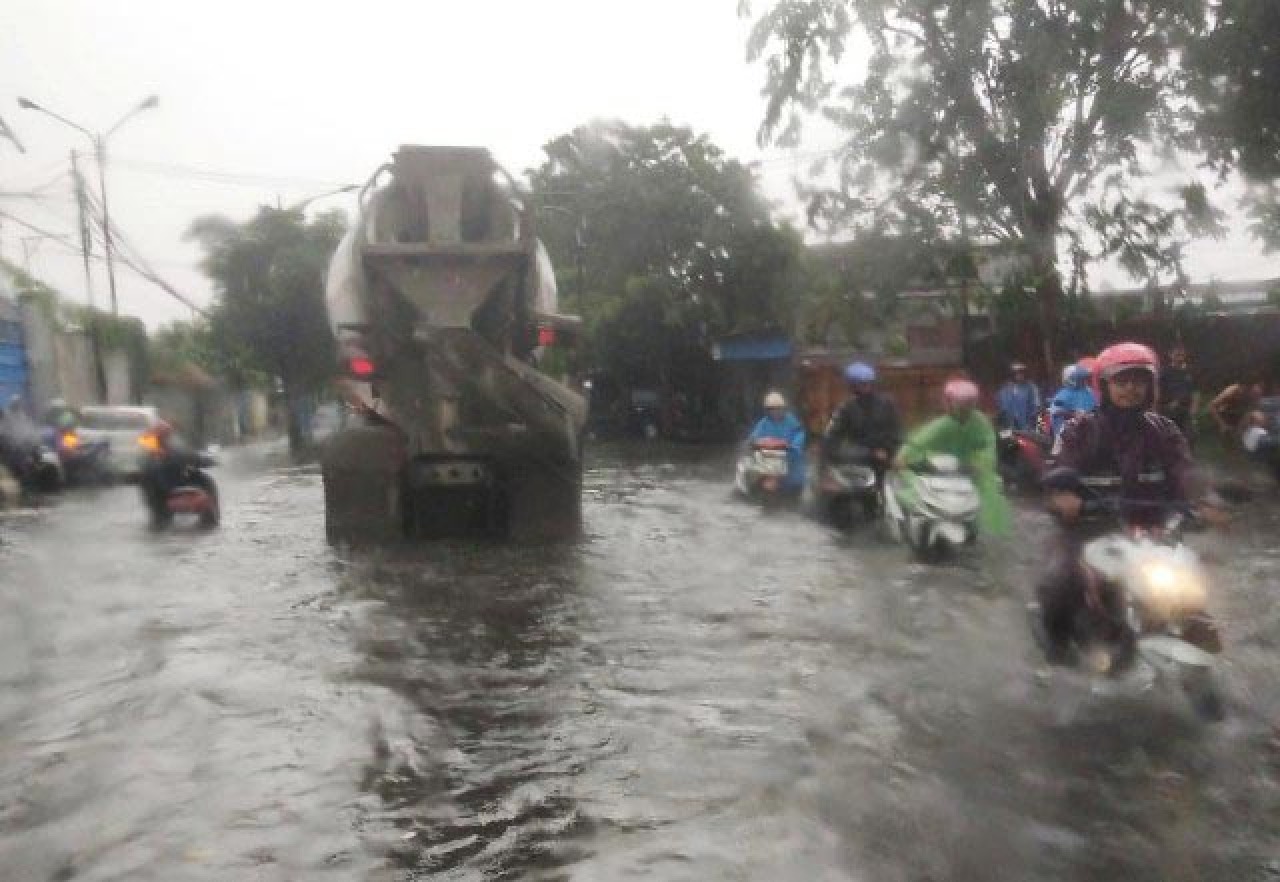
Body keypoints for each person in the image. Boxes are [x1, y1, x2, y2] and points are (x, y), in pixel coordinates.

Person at [1038, 342, 1198, 663]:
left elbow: (1186, 474)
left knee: (1191, 588)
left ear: (1151, 385)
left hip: (1153, 534)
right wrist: (1064, 497)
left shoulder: (1165, 431)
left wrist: (1205, 502)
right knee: (1060, 580)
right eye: (1121, 381)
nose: (1131, 389)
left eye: (1139, 380)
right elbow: (1057, 470)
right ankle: (1056, 654)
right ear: (1104, 385)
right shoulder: (1080, 429)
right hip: (1089, 531)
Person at [893, 378, 1011, 536]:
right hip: (941, 468)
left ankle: (976, 527)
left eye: (967, 403)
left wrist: (980, 464)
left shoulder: (980, 423)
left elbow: (988, 447)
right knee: (915, 487)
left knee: (990, 490)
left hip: (970, 470)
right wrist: (903, 457)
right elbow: (920, 441)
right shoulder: (945, 423)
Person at [822, 361, 901, 488]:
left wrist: (895, 453)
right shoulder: (845, 409)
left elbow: (897, 431)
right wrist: (868, 453)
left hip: (890, 464)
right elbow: (831, 441)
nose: (865, 387)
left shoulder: (887, 404)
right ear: (852, 386)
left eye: (868, 383)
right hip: (860, 469)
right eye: (861, 384)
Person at [747, 391, 807, 493]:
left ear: (783, 408)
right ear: (768, 411)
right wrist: (754, 442)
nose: (775, 411)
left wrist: (794, 445)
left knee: (796, 479)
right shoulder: (764, 422)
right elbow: (754, 437)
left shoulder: (791, 421)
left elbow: (800, 434)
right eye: (772, 409)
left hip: (789, 456)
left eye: (778, 408)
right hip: (769, 457)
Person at [1047, 363, 1097, 439]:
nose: (1083, 381)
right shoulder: (1062, 395)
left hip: (1088, 430)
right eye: (1080, 378)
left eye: (1083, 378)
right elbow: (1055, 411)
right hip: (1067, 434)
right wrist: (1073, 413)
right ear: (1071, 379)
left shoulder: (1088, 391)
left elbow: (1095, 406)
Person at [1159, 345, 1198, 438]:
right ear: (1170, 355)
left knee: (1190, 437)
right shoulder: (1164, 372)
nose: (1179, 357)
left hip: (1186, 411)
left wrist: (1193, 411)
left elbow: (1195, 392)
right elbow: (1158, 391)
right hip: (1168, 410)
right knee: (1169, 437)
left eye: (1181, 354)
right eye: (1177, 354)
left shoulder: (1190, 372)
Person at [996, 362, 1042, 431]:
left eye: (1021, 373)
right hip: (1010, 427)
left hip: (1028, 428)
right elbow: (1002, 409)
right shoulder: (1005, 389)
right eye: (1016, 373)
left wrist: (1039, 427)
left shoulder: (1031, 387)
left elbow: (1037, 407)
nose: (1019, 375)